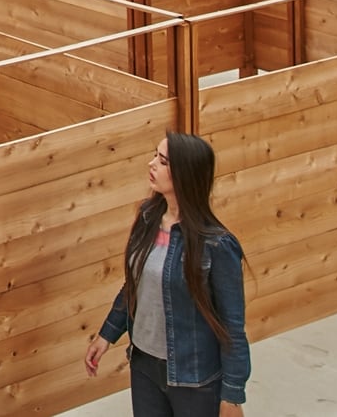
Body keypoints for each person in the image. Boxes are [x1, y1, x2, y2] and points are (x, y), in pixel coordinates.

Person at [83, 132, 249, 417]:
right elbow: (134, 286)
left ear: (184, 174)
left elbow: (232, 327)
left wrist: (232, 397)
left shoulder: (217, 245)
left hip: (194, 378)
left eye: (162, 161)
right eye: (155, 156)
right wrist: (106, 335)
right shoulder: (147, 218)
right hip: (144, 366)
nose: (151, 164)